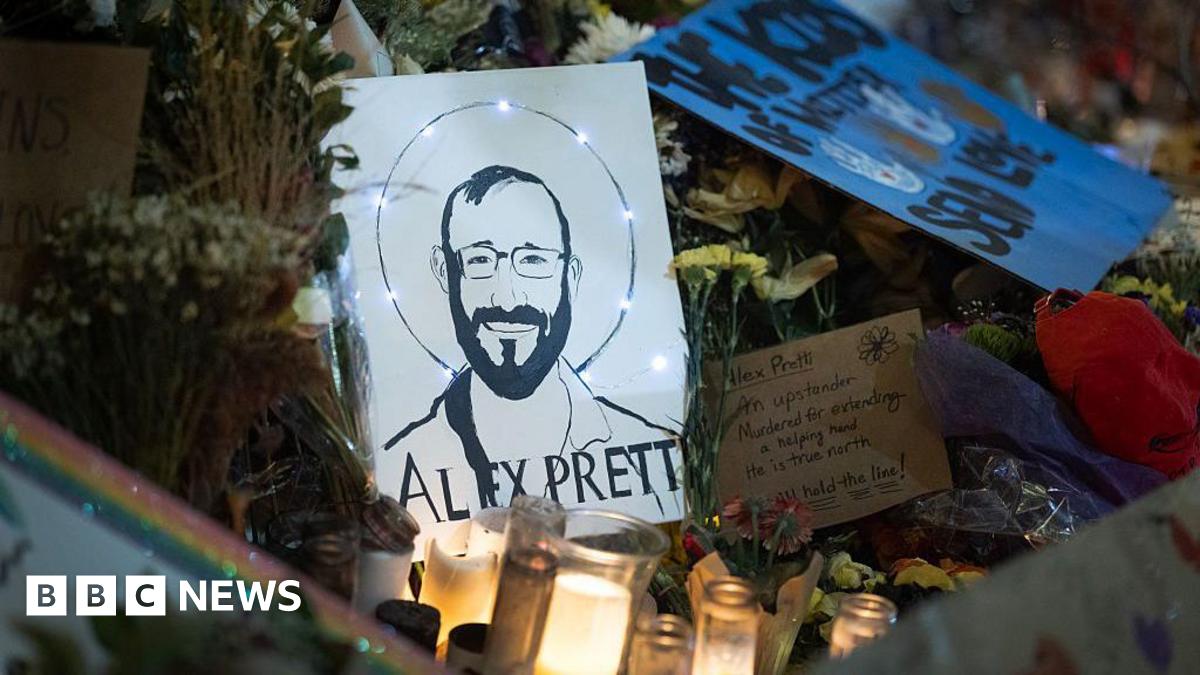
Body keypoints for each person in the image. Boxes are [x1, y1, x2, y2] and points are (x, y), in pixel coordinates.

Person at [385, 165, 678, 522]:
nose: (507, 298)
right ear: (445, 272)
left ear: (570, 276)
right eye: (480, 260)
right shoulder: (399, 469)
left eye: (533, 259)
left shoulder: (648, 456)